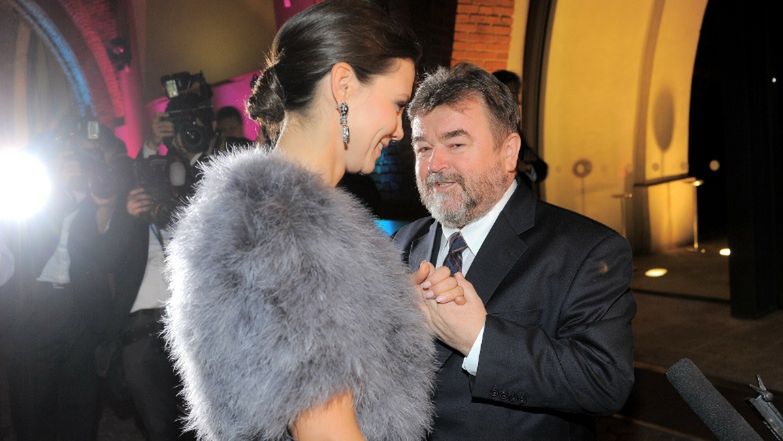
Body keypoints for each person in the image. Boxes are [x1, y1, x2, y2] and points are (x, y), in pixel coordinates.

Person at [163, 2, 436, 441]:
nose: (400, 130)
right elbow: (327, 430)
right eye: (397, 104)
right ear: (343, 85)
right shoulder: (292, 233)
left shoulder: (256, 217)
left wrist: (394, 310)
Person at [394, 63, 636, 440]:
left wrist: (480, 338)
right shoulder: (401, 244)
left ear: (509, 153)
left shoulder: (585, 250)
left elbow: (605, 382)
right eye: (423, 148)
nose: (434, 165)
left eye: (456, 144)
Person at [492, 69, 548, 186]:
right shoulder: (484, 126)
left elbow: (540, 169)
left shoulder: (512, 125)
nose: (518, 101)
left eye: (517, 94)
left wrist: (525, 166)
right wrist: (519, 164)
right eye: (513, 93)